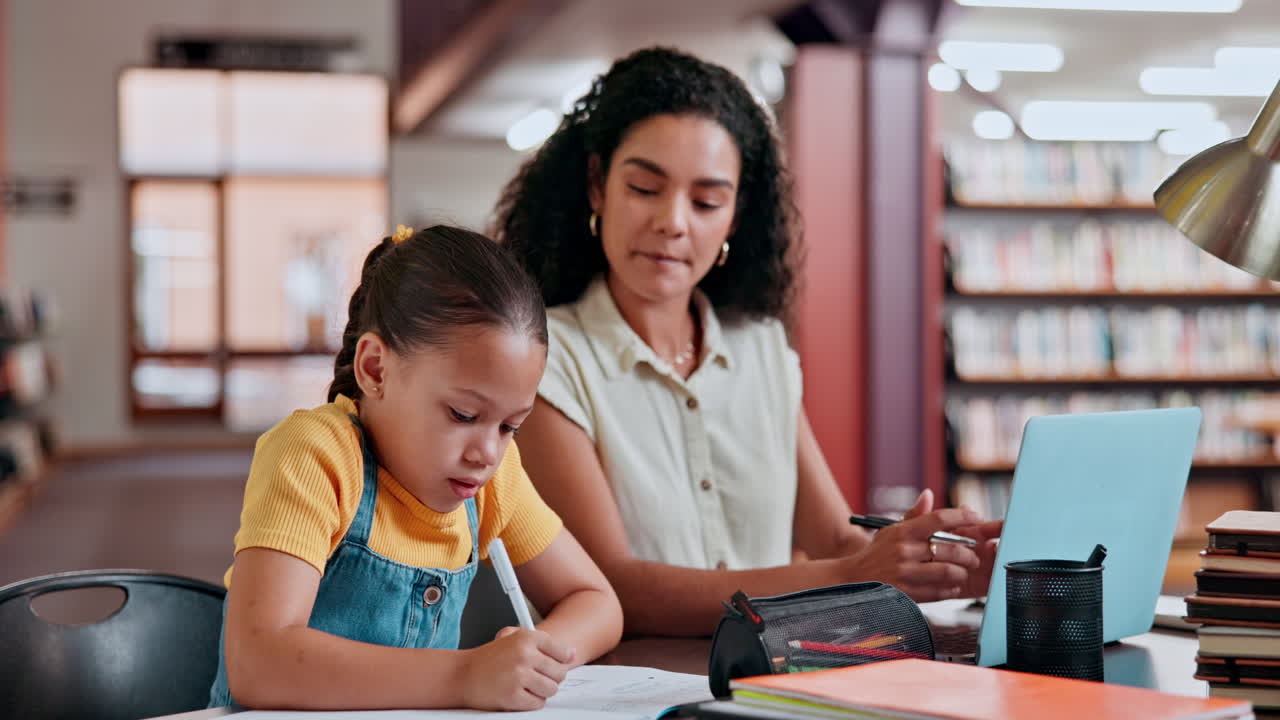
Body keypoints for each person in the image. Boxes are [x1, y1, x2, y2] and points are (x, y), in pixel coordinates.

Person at [493, 47, 1001, 638]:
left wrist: (936, 562)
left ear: (735, 217)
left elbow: (834, 537)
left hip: (774, 677)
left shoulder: (762, 350)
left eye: (707, 201)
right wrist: (854, 572)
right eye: (644, 188)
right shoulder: (547, 359)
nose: (674, 222)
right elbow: (613, 585)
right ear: (597, 186)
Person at [208, 225, 623, 710]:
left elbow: (598, 602)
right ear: (376, 369)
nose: (486, 452)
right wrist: (467, 674)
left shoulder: (493, 477)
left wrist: (535, 656)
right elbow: (260, 664)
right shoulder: (315, 454)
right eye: (463, 415)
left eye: (511, 425)